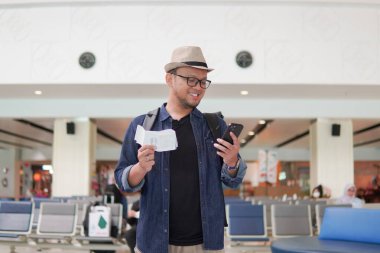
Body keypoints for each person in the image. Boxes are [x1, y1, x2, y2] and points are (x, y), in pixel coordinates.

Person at [114, 46, 247, 253]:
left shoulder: (214, 126)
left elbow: (233, 180)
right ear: (170, 79)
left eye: (203, 82)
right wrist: (140, 168)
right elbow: (122, 179)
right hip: (154, 241)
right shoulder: (142, 125)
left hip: (205, 243)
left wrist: (232, 163)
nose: (199, 87)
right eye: (191, 79)